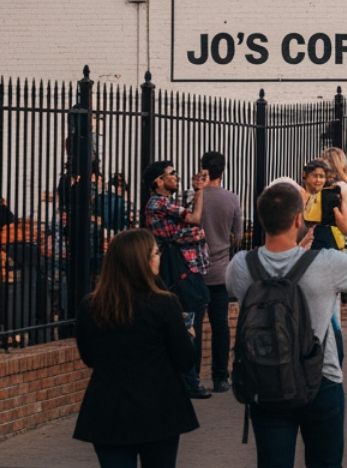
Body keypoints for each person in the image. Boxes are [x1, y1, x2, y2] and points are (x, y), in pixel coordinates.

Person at [228, 180, 347, 468]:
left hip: (265, 380)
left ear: (261, 219)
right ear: (298, 219)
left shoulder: (240, 265)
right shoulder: (325, 263)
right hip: (320, 379)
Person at [73, 228, 199, 468]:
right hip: (159, 409)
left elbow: (89, 357)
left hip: (108, 409)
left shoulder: (91, 306)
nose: (159, 257)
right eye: (155, 253)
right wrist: (189, 336)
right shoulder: (164, 303)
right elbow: (185, 360)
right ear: (141, 261)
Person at [142, 159, 212, 400]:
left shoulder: (165, 203)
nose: (177, 176)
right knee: (185, 326)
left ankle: (187, 380)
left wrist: (198, 194)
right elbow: (195, 221)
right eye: (172, 174)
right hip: (180, 274)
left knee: (189, 323)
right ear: (158, 181)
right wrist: (200, 194)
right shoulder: (158, 203)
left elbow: (193, 223)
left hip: (186, 270)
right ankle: (188, 382)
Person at [195, 151, 242, 394]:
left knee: (194, 323)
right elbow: (239, 235)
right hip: (221, 269)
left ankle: (192, 375)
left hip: (195, 270)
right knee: (220, 325)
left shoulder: (195, 197)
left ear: (203, 168)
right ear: (223, 170)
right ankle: (220, 376)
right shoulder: (232, 199)